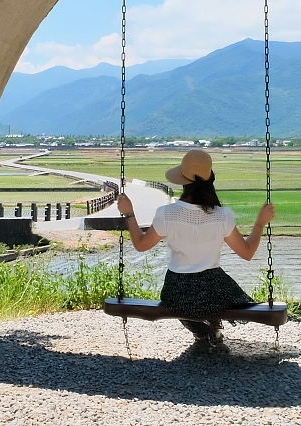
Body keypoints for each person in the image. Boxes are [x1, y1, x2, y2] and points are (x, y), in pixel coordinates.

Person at [116, 148, 275, 347]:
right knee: (221, 297)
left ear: (183, 181)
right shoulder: (222, 215)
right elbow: (247, 252)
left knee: (179, 305)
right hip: (214, 289)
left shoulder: (167, 213)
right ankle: (213, 330)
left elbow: (140, 245)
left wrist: (129, 214)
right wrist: (260, 223)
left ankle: (203, 333)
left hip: (178, 289)